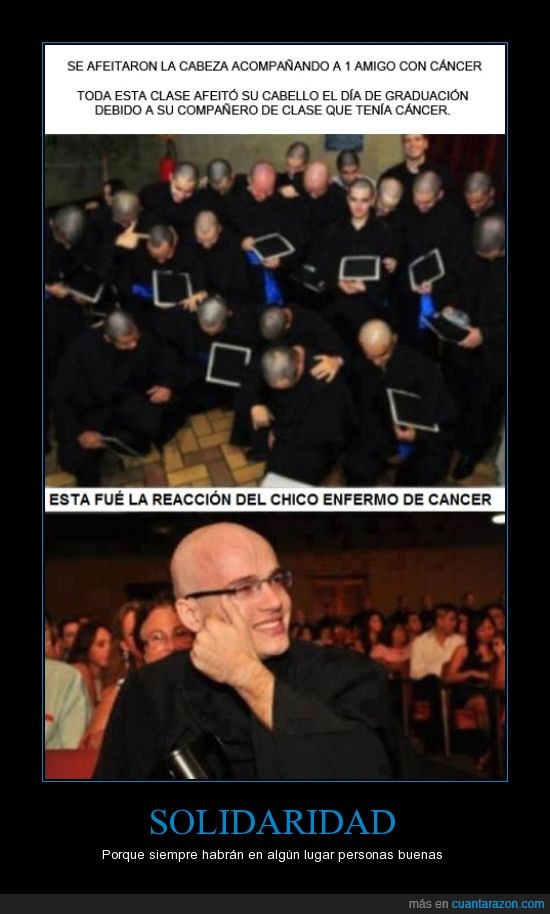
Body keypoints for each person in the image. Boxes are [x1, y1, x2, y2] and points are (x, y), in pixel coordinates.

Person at [95, 522, 409, 780]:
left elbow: (369, 772)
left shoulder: (348, 673)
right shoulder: (152, 689)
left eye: (276, 579)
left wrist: (249, 677)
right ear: (191, 614)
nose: (275, 601)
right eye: (244, 588)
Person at [52, 311, 181, 485]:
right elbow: (60, 397)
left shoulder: (142, 334)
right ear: (107, 338)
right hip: (91, 410)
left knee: (156, 420)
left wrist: (166, 385)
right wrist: (80, 432)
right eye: (126, 343)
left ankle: (128, 442)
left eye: (135, 338)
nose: (134, 345)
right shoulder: (79, 353)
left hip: (126, 399)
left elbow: (166, 357)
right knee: (75, 460)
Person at [344, 319, 457, 485]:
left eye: (383, 355)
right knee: (356, 465)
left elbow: (446, 419)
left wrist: (417, 435)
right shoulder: (361, 363)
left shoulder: (422, 368)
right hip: (380, 431)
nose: (377, 362)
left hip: (421, 435)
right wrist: (387, 448)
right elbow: (364, 409)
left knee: (415, 481)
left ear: (394, 340)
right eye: (371, 357)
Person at [379, 134, 458, 207]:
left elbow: (454, 208)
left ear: (426, 144)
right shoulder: (390, 176)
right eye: (407, 141)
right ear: (403, 146)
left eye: (417, 139)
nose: (412, 144)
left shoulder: (443, 175)